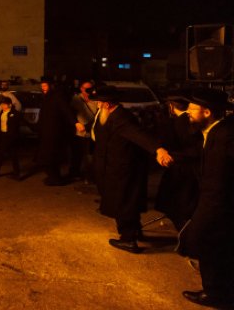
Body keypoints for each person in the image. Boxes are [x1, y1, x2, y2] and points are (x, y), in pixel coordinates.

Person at [90, 85, 169, 254]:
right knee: (123, 202)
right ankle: (135, 232)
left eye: (99, 102)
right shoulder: (108, 114)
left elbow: (140, 135)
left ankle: (128, 239)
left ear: (108, 104)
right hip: (112, 167)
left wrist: (158, 149)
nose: (97, 104)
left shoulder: (121, 118)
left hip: (121, 171)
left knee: (123, 203)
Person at [174, 88, 234, 308]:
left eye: (192, 109)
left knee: (208, 244)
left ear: (207, 112)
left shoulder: (226, 135)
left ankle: (215, 293)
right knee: (215, 247)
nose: (187, 113)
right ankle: (217, 289)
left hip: (219, 204)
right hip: (214, 201)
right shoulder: (211, 132)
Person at [153, 92, 202, 231]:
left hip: (179, 170)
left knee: (177, 207)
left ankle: (186, 237)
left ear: (171, 107)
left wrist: (166, 155)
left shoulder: (172, 124)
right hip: (193, 170)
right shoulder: (195, 122)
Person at [37, 77, 83, 185]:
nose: (43, 88)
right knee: (48, 156)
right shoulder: (47, 97)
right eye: (42, 86)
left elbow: (66, 110)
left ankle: (56, 179)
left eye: (45, 86)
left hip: (54, 132)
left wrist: (75, 123)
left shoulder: (57, 96)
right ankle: (54, 177)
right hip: (47, 131)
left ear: (51, 86)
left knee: (51, 156)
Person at [69, 80, 98, 182]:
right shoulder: (76, 99)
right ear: (81, 89)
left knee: (90, 155)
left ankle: (89, 175)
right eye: (86, 89)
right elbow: (70, 114)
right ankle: (74, 173)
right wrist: (76, 124)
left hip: (92, 132)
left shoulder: (96, 99)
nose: (88, 91)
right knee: (77, 154)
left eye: (90, 88)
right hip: (79, 132)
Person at [0, 97, 22, 179]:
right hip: (3, 135)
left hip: (10, 137)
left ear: (9, 105)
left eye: (4, 104)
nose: (2, 106)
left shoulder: (15, 114)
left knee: (0, 153)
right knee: (12, 155)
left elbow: (17, 125)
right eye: (1, 104)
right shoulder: (2, 112)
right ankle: (16, 173)